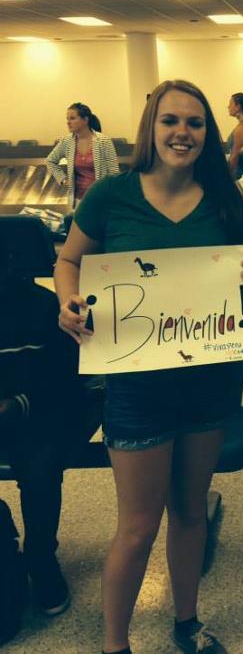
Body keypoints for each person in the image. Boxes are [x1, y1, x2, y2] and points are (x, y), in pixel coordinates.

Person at [54, 80, 243, 654]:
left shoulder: (223, 202)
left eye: (195, 123)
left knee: (191, 512)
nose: (183, 133)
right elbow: (69, 259)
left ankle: (186, 623)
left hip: (207, 384)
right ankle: (115, 644)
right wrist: (66, 302)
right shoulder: (112, 196)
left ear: (208, 132)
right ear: (151, 126)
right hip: (136, 385)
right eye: (171, 120)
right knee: (138, 524)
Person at [0, 245, 102, 619]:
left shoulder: (41, 308)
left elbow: (68, 381)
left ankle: (40, 555)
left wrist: (18, 405)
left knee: (40, 467)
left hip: (40, 410)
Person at [45, 102, 120, 208]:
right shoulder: (67, 141)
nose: (68, 122)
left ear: (85, 120)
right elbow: (50, 160)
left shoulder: (103, 140)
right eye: (67, 119)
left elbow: (114, 173)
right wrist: (63, 179)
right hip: (77, 201)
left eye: (72, 118)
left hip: (101, 200)